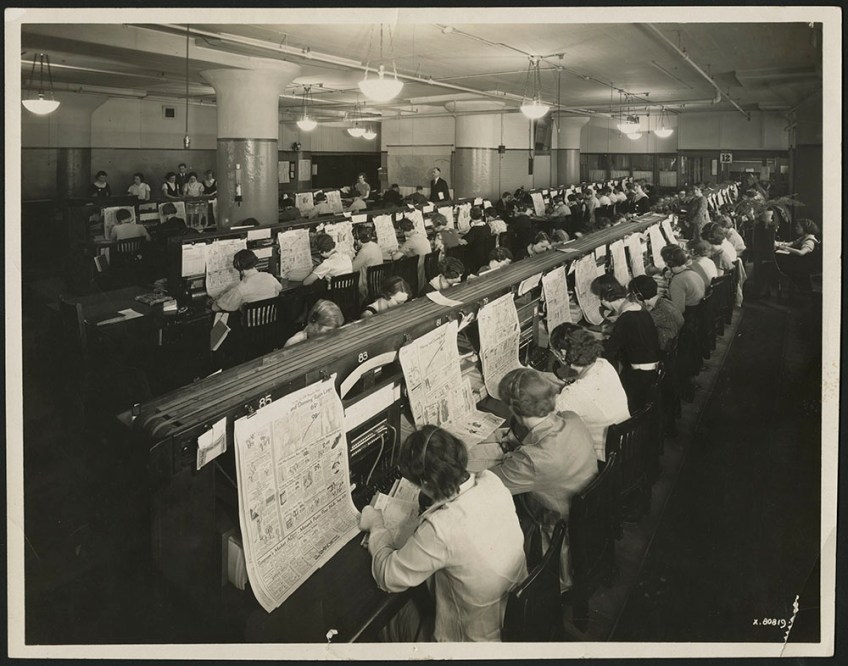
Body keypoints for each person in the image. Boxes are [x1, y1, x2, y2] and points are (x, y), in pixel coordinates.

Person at [360, 425, 527, 642]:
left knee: (383, 619)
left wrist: (376, 524)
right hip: (511, 620)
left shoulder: (441, 528)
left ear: (427, 484)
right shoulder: (491, 481)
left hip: (469, 646)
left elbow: (387, 577)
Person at [489, 367, 597, 591]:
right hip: (589, 513)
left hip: (556, 530)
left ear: (514, 410)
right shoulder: (571, 419)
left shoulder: (531, 460)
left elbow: (489, 485)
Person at [547, 323, 630, 462]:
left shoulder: (574, 393)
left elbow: (546, 419)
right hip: (626, 446)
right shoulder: (604, 364)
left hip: (605, 459)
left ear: (562, 353)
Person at [591, 274, 661, 412]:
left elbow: (608, 352)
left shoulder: (627, 318)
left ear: (604, 299)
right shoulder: (637, 307)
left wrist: (590, 344)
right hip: (652, 369)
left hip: (640, 377)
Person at [211, 249, 282, 312]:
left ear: (238, 266)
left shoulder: (240, 288)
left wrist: (217, 299)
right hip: (270, 323)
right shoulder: (269, 277)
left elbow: (215, 308)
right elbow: (279, 288)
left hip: (249, 325)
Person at [629, 275, 684, 354]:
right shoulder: (664, 302)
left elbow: (636, 326)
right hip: (672, 345)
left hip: (664, 350)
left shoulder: (661, 311)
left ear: (639, 296)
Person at [775, 219, 820, 290]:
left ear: (805, 228)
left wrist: (786, 248)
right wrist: (779, 244)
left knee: (776, 263)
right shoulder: (804, 237)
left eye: (798, 227)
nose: (796, 228)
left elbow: (801, 252)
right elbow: (793, 243)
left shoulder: (809, 241)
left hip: (803, 268)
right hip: (800, 264)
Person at [661, 245, 706, 314]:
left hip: (689, 316)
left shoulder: (677, 281)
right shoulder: (692, 269)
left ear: (666, 263)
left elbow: (679, 311)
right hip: (699, 311)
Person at [351, 224, 384, 300]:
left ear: (358, 239)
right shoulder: (375, 245)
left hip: (365, 286)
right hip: (377, 283)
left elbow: (353, 269)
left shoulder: (364, 252)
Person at [461, 206, 493, 273]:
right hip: (486, 253)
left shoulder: (474, 229)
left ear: (470, 216)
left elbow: (464, 242)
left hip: (476, 255)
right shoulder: (487, 226)